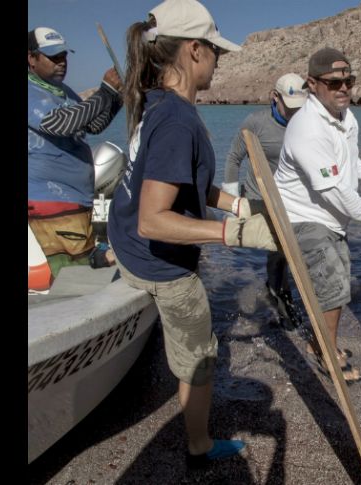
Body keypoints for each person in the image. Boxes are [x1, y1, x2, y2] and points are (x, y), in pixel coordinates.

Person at [108, 0, 276, 467]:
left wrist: (239, 204)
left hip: (124, 243)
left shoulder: (155, 102)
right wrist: (236, 233)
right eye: (216, 52)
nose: (219, 62)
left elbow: (183, 182)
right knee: (201, 355)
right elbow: (154, 219)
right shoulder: (179, 120)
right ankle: (199, 445)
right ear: (195, 50)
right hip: (160, 262)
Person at [274, 47, 361, 383]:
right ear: (312, 84)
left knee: (338, 285)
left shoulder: (346, 118)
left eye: (349, 81)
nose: (343, 88)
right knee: (334, 284)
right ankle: (327, 352)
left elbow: (349, 163)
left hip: (331, 216)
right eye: (334, 82)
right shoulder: (308, 127)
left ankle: (320, 342)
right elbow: (334, 191)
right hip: (302, 217)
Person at [28, 26, 122, 277]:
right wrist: (105, 92)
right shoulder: (30, 91)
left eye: (64, 56)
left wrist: (117, 99)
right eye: (54, 57)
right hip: (50, 204)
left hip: (75, 203)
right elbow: (60, 123)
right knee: (69, 279)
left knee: (79, 273)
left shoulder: (64, 92)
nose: (62, 63)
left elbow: (92, 124)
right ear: (31, 58)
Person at [224, 73, 308, 329]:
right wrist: (231, 204)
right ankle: (280, 299)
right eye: (290, 107)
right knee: (279, 249)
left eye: (300, 108)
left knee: (295, 248)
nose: (295, 113)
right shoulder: (255, 122)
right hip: (260, 197)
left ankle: (279, 291)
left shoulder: (306, 121)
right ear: (274, 97)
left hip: (291, 197)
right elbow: (232, 158)